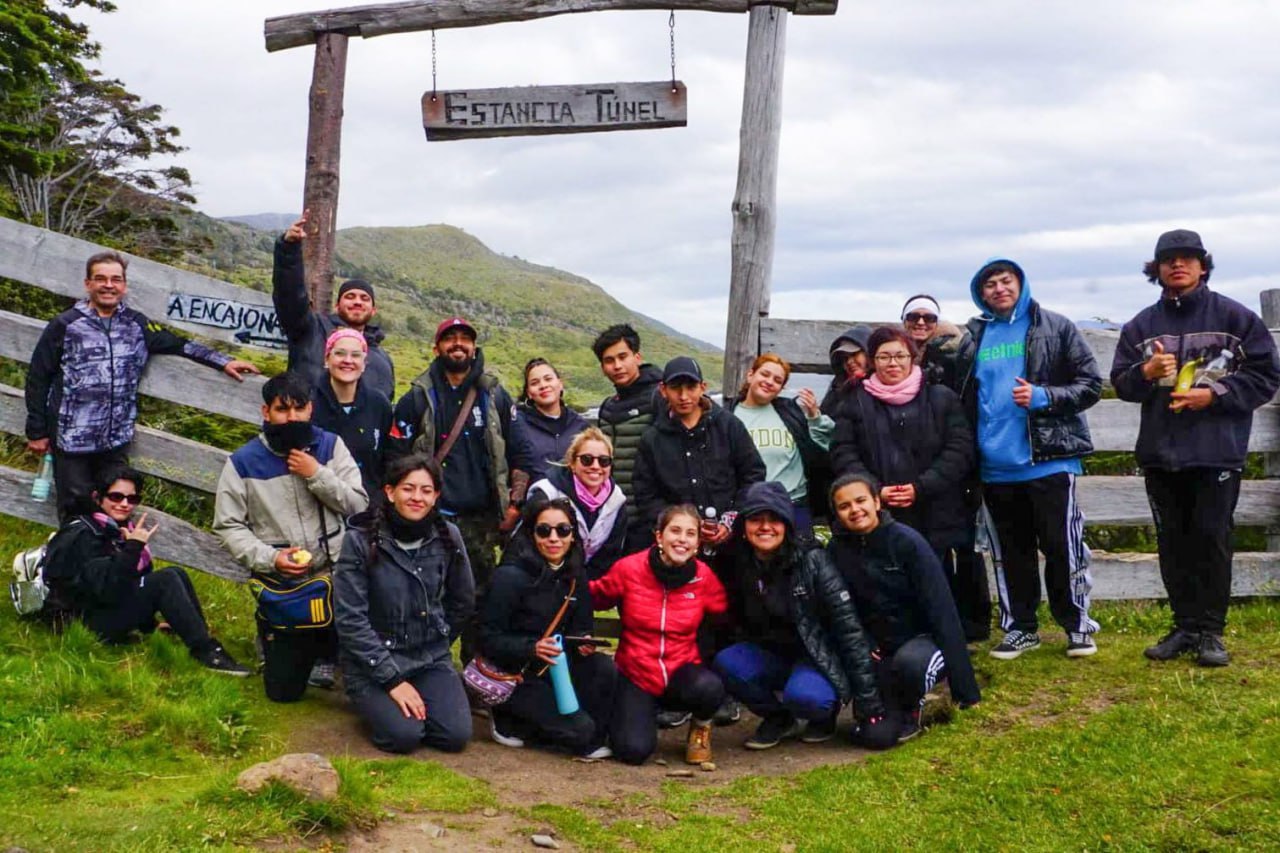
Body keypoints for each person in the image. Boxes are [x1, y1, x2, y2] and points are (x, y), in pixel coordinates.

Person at [1111, 229, 1280, 667]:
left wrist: (1216, 395)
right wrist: (1146, 371)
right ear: (1157, 270)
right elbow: (1122, 384)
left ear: (1203, 266)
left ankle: (1211, 631)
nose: (1177, 265)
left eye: (1187, 258)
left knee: (1212, 538)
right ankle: (1184, 625)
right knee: (1173, 542)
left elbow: (1265, 375)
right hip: (1161, 453)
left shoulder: (1235, 318)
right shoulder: (1140, 326)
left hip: (1216, 452)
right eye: (1168, 260)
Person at [24, 250, 259, 521]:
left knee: (115, 508)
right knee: (76, 509)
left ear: (124, 285)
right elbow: (38, 377)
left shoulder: (137, 325)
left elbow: (179, 344)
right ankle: (70, 560)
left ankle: (110, 562)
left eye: (116, 279)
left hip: (116, 439)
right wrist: (37, 430)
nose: (108, 285)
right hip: (71, 438)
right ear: (88, 284)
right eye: (100, 279)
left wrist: (223, 361)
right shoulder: (66, 325)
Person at [956, 258, 1103, 660]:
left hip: (1050, 459)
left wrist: (1044, 397)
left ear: (1021, 284)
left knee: (1063, 547)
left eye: (1006, 281)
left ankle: (1076, 625)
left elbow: (1091, 385)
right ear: (980, 292)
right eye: (990, 284)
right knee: (1010, 553)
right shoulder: (974, 338)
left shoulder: (1056, 326)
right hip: (995, 466)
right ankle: (1021, 627)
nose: (999, 288)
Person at [213, 372, 368, 701]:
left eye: (299, 409)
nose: (291, 418)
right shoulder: (243, 462)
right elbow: (228, 526)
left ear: (310, 409)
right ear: (265, 412)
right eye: (282, 409)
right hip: (286, 584)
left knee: (360, 684)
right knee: (283, 693)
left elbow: (357, 504)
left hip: (337, 574)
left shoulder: (330, 446)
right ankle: (277, 639)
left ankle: (336, 657)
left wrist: (317, 474)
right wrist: (272, 559)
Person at [713, 482, 897, 751]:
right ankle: (779, 718)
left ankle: (824, 715)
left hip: (817, 655)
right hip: (771, 653)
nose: (765, 527)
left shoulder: (813, 561)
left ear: (787, 524)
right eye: (756, 520)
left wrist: (869, 705)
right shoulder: (736, 562)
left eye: (774, 519)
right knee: (727, 662)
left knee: (807, 698)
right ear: (744, 527)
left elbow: (849, 629)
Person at [830, 327, 978, 636]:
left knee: (933, 572)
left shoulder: (941, 397)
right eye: (884, 356)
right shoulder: (854, 402)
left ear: (913, 357)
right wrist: (872, 491)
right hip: (879, 507)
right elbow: (844, 451)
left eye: (899, 355)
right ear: (873, 360)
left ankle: (942, 637)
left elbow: (959, 449)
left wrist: (922, 487)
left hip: (933, 506)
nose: (892, 363)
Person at [391, 316, 522, 662]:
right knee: (427, 595)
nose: (458, 344)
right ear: (437, 347)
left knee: (479, 599)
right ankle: (426, 665)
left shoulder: (495, 396)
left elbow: (518, 450)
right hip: (431, 517)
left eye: (465, 338)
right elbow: (395, 456)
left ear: (474, 346)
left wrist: (514, 503)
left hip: (481, 521)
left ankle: (476, 675)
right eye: (450, 339)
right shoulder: (418, 397)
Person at [42, 465, 250, 676]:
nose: (124, 504)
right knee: (165, 579)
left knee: (176, 572)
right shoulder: (85, 534)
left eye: (131, 499)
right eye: (116, 496)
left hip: (98, 610)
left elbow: (131, 582)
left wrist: (148, 626)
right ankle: (206, 653)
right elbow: (106, 588)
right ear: (98, 497)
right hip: (79, 622)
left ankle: (200, 639)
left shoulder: (113, 528)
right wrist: (132, 549)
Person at [334, 454, 474, 753]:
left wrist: (438, 638)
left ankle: (417, 702)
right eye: (408, 488)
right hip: (373, 661)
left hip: (429, 657)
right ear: (390, 492)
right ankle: (373, 703)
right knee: (404, 737)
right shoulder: (359, 541)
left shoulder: (449, 536)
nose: (417, 497)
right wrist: (392, 680)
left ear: (436, 496)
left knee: (455, 736)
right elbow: (350, 620)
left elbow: (462, 600)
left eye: (426, 491)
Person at [827, 474, 981, 740]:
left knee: (909, 664)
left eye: (861, 500)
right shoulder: (836, 550)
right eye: (844, 506)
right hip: (877, 651)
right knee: (877, 737)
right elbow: (839, 610)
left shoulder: (908, 542)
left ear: (877, 502)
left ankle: (915, 704)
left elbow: (943, 613)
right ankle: (884, 710)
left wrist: (966, 693)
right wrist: (864, 641)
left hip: (921, 643)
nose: (854, 510)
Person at [589, 505, 729, 765]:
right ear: (659, 536)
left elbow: (721, 614)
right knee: (633, 751)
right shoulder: (629, 569)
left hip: (681, 670)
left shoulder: (704, 577)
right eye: (675, 531)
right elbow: (594, 596)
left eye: (690, 534)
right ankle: (632, 716)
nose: (682, 540)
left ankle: (700, 729)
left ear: (698, 542)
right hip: (637, 672)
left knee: (710, 687)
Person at [478, 497, 616, 758]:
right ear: (531, 534)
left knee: (603, 668)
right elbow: (487, 638)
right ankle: (508, 716)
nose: (554, 538)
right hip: (519, 672)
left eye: (563, 530)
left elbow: (582, 626)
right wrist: (532, 648)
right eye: (544, 530)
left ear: (573, 535)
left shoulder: (576, 575)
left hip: (559, 667)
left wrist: (583, 642)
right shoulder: (510, 576)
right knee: (582, 734)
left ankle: (560, 728)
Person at [902, 295, 992, 642]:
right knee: (929, 544)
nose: (921, 323)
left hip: (959, 459)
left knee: (965, 545)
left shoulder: (956, 354)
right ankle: (937, 617)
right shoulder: (897, 355)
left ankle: (974, 621)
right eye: (914, 317)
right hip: (918, 466)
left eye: (928, 317)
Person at [632, 356, 766, 552]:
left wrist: (731, 520)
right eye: (676, 387)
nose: (684, 396)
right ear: (663, 390)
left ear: (703, 387)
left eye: (691, 387)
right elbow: (646, 495)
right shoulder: (652, 440)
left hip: (734, 544)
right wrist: (683, 526)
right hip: (680, 548)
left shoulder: (729, 426)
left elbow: (753, 474)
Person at [272, 212, 395, 398]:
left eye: (364, 298)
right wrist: (288, 250)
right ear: (337, 306)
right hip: (307, 424)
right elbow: (289, 295)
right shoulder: (311, 330)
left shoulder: (383, 358)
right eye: (350, 296)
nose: (357, 302)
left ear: (373, 309)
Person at [726, 354, 835, 539]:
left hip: (794, 505)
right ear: (750, 375)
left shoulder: (790, 412)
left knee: (802, 561)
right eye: (765, 374)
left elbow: (825, 444)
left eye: (777, 380)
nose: (769, 382)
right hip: (750, 508)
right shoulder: (727, 415)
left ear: (781, 389)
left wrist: (814, 416)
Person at [526, 428, 629, 581]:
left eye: (604, 461)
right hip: (541, 577)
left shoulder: (617, 500)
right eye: (587, 459)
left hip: (586, 582)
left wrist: (583, 587)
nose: (595, 466)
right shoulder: (546, 494)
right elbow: (526, 544)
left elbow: (610, 553)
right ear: (572, 463)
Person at [310, 328, 394, 498]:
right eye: (340, 353)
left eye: (355, 355)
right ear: (327, 359)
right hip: (316, 505)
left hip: (366, 510)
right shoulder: (307, 402)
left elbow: (388, 459)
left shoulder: (379, 404)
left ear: (364, 363)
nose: (348, 361)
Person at [593, 324, 664, 509]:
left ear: (637, 357)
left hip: (650, 514)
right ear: (602, 367)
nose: (617, 366)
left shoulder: (661, 396)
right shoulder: (607, 407)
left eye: (623, 357)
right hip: (612, 515)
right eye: (609, 360)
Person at [509, 357, 589, 483]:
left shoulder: (580, 425)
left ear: (560, 384)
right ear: (529, 393)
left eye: (548, 379)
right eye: (535, 383)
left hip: (574, 499)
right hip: (534, 499)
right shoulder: (517, 424)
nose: (543, 386)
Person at [819, 325, 873, 418]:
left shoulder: (885, 386)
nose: (849, 362)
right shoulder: (836, 390)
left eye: (854, 354)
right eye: (844, 358)